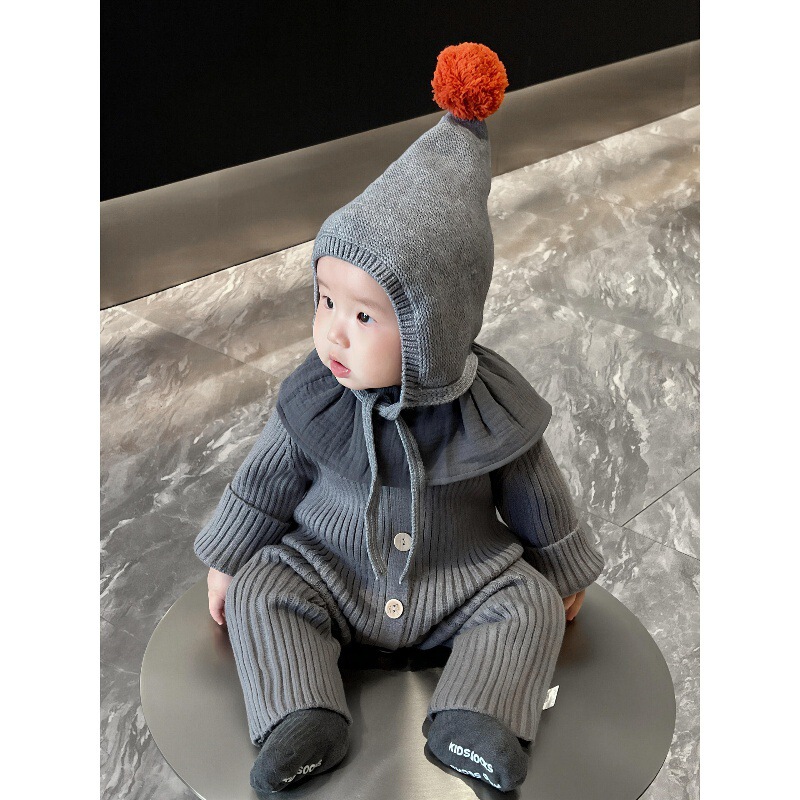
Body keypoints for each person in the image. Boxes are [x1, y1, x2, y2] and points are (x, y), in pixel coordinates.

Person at [194, 42, 604, 796]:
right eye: (325, 301)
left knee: (530, 606)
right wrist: (227, 557)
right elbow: (263, 484)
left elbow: (539, 495)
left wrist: (564, 568)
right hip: (330, 571)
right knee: (260, 589)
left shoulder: (490, 411)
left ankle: (475, 718)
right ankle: (301, 717)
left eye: (363, 316)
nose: (334, 332)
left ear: (432, 331)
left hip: (460, 581)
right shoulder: (316, 396)